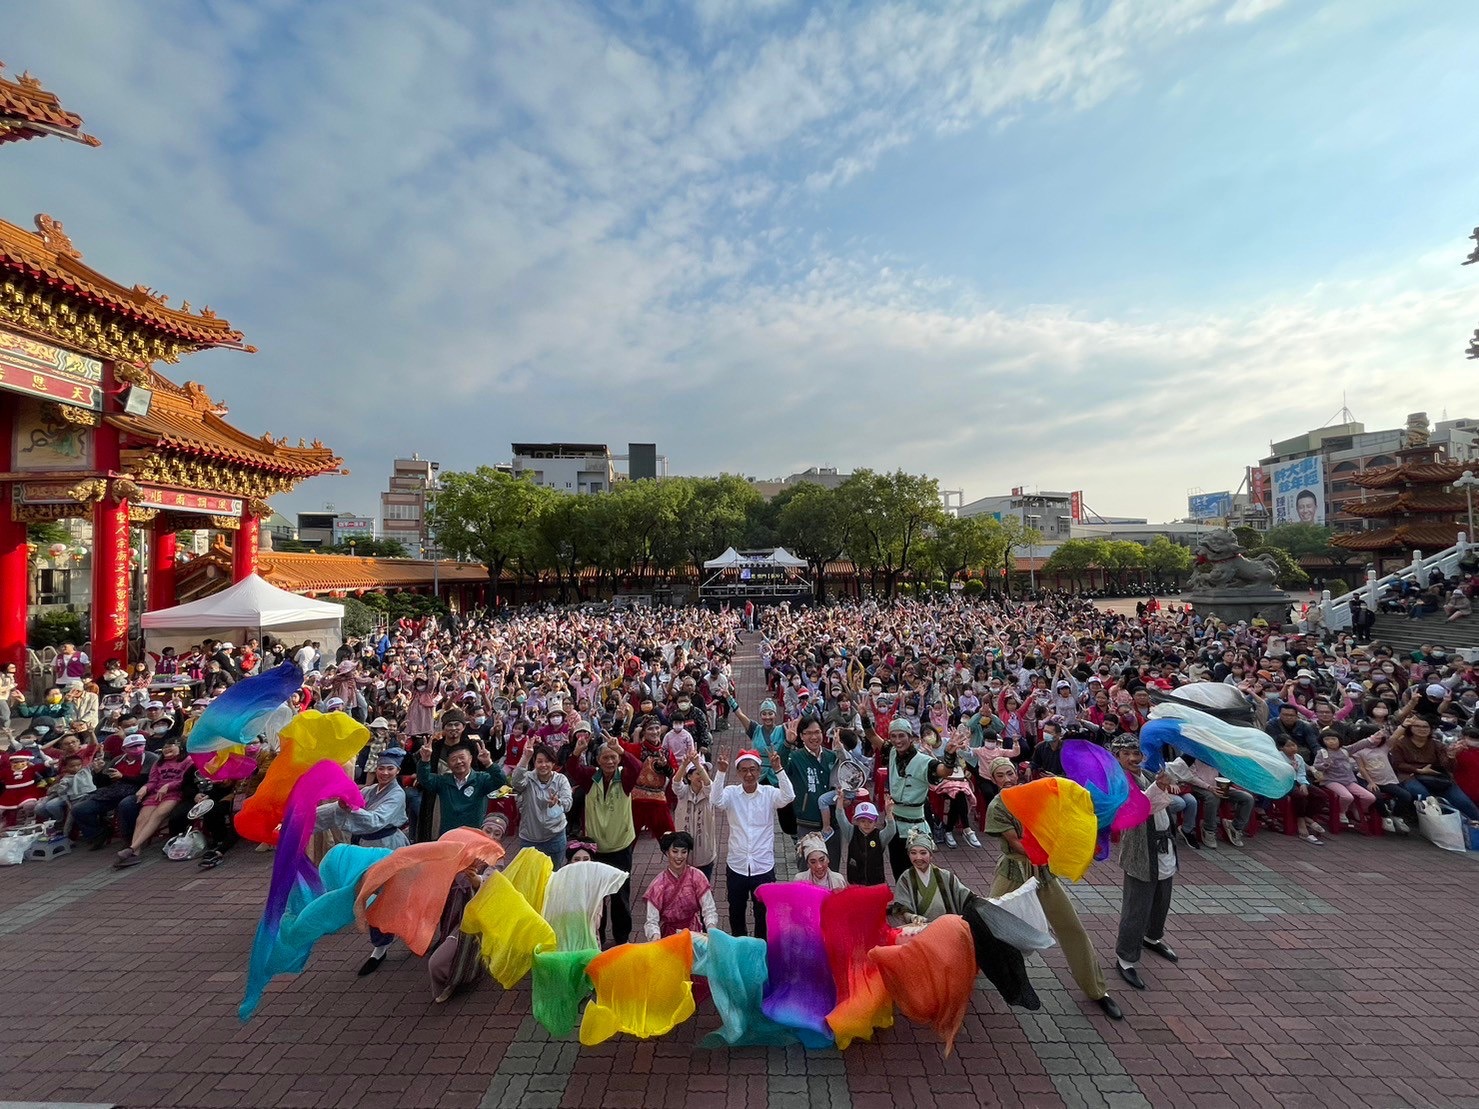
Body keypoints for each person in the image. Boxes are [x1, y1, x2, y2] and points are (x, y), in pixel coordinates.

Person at [984, 758, 1122, 1021]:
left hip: (1043, 873)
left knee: (1071, 927)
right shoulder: (997, 806)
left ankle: (1097, 990)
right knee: (988, 923)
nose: (1007, 779)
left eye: (1010, 773)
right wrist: (1058, 854)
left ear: (1017, 773)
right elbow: (1018, 844)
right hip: (1014, 871)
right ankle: (973, 970)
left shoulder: (1035, 794)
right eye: (1000, 775)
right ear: (994, 780)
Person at [1111, 737, 1179, 991]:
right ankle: (1126, 958)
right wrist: (1160, 787)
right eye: (1126, 753)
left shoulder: (1149, 774)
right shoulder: (1118, 782)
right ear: (1117, 757)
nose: (1133, 758)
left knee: (1162, 899)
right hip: (1140, 851)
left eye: (1136, 752)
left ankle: (1152, 937)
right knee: (1136, 907)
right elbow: (1139, 808)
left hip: (1163, 846)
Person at [563, 734, 643, 946]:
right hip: (596, 848)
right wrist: (578, 751)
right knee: (597, 896)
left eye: (613, 757)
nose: (610, 761)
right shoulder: (590, 777)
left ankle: (622, 938)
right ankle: (598, 935)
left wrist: (621, 750)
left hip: (621, 846)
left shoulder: (624, 778)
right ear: (597, 760)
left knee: (620, 896)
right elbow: (571, 768)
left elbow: (637, 767)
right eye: (605, 757)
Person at [710, 748, 793, 938]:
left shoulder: (769, 793)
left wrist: (778, 769)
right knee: (736, 911)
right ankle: (739, 948)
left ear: (759, 771)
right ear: (738, 773)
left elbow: (788, 796)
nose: (749, 774)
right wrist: (721, 772)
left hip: (763, 866)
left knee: (762, 914)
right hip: (737, 865)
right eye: (744, 770)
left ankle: (760, 948)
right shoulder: (731, 793)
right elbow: (715, 800)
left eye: (753, 769)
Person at [883, 717, 951, 880]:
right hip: (894, 825)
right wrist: (864, 717)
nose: (897, 740)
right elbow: (873, 738)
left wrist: (950, 755)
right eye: (893, 736)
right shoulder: (892, 752)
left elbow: (943, 771)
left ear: (911, 737)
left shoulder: (923, 761)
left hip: (916, 826)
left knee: (919, 871)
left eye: (902, 736)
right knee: (899, 872)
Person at [113, 738, 192, 868]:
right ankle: (134, 853)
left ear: (181, 748)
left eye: (171, 746)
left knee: (157, 815)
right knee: (141, 819)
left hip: (173, 794)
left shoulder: (187, 761)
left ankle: (132, 848)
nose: (167, 749)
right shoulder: (158, 763)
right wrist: (145, 788)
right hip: (155, 794)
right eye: (165, 747)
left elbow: (184, 780)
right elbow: (153, 781)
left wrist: (168, 786)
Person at [73, 735, 158, 848]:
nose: (137, 748)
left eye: (140, 745)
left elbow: (146, 779)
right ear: (124, 749)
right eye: (132, 746)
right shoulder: (117, 760)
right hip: (114, 792)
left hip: (140, 791)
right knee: (79, 809)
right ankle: (98, 834)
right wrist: (98, 773)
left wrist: (122, 777)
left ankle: (130, 838)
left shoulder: (150, 757)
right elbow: (103, 783)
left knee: (126, 805)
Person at [415, 736, 505, 836]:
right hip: (449, 834)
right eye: (453, 759)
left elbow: (500, 781)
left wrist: (488, 763)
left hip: (473, 835)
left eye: (462, 757)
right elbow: (424, 779)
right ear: (448, 764)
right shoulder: (443, 781)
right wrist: (425, 760)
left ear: (470, 759)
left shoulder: (481, 779)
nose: (458, 762)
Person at [641, 831, 719, 940]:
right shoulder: (658, 885)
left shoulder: (697, 876)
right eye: (674, 851)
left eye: (684, 852)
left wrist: (711, 929)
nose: (679, 856)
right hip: (670, 937)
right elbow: (652, 921)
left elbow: (709, 909)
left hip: (694, 934)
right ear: (667, 852)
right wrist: (655, 936)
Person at [509, 741, 573, 868]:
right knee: (529, 874)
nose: (543, 765)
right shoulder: (527, 779)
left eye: (547, 761)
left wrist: (558, 802)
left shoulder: (561, 780)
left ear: (553, 763)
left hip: (555, 837)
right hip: (530, 839)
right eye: (539, 761)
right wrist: (526, 756)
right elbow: (516, 782)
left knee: (553, 874)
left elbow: (568, 803)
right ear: (535, 763)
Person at [671, 750, 716, 880]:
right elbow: (676, 783)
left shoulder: (709, 794)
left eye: (704, 772)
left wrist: (697, 764)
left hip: (705, 852)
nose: (701, 776)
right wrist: (684, 765)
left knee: (703, 886)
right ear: (689, 777)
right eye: (697, 773)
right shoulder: (683, 793)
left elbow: (709, 785)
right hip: (683, 853)